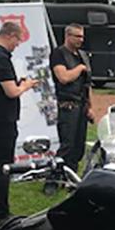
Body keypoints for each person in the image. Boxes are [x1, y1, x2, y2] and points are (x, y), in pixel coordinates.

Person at [0, 21, 39, 221]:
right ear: (10, 35)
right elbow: (11, 92)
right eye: (18, 40)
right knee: (4, 165)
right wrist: (26, 86)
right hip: (3, 119)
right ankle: (1, 212)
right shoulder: (1, 59)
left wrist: (18, 84)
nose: (17, 44)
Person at [46, 23, 93, 195]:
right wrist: (80, 68)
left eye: (82, 36)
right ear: (68, 36)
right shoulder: (58, 54)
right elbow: (63, 77)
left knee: (78, 147)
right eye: (77, 36)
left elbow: (88, 84)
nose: (81, 39)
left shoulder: (83, 55)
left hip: (82, 106)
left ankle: (70, 179)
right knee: (67, 146)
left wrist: (91, 107)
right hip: (67, 105)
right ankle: (52, 179)